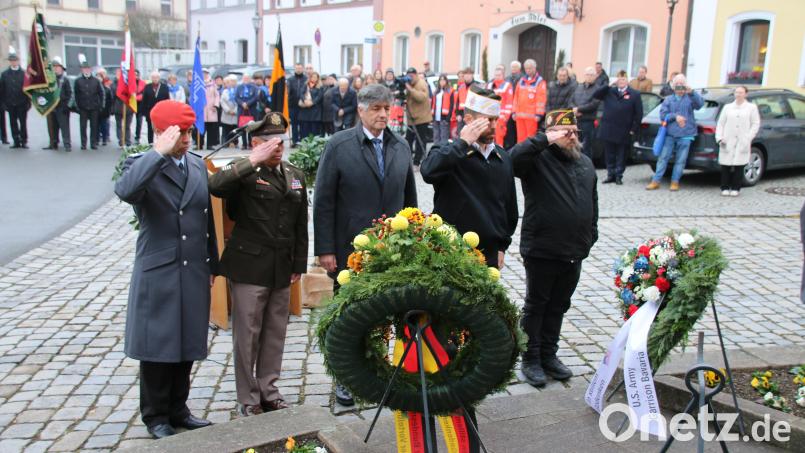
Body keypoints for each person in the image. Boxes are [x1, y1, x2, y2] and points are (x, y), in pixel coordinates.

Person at [114, 100, 218, 439]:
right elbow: (126, 190)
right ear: (161, 132)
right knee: (159, 344)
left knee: (187, 339)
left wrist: (213, 263)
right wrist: (157, 153)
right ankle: (155, 415)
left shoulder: (197, 165)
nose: (187, 139)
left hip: (192, 267)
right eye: (179, 133)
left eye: (189, 132)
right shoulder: (142, 165)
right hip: (159, 268)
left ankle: (179, 407)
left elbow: (206, 219)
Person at [313, 84, 418, 407]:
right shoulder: (340, 146)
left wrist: (413, 244)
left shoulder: (400, 147)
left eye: (387, 108)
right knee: (350, 318)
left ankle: (377, 373)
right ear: (361, 110)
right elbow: (324, 201)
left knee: (384, 313)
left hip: (391, 251)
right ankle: (345, 377)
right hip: (349, 250)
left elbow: (410, 202)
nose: (384, 114)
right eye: (376, 108)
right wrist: (326, 249)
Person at [208, 112, 308, 417]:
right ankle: (248, 397)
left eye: (282, 141)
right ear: (256, 142)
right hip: (249, 266)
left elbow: (300, 224)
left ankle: (269, 390)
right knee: (247, 334)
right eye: (270, 141)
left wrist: (299, 264)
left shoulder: (294, 174)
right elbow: (215, 185)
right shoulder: (244, 171)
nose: (278, 147)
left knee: (275, 332)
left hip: (281, 265)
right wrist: (253, 159)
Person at [510, 109, 598, 387]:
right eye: (565, 132)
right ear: (551, 134)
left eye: (574, 131)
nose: (571, 136)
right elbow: (512, 159)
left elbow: (592, 204)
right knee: (536, 306)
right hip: (542, 249)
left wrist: (590, 234)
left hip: (574, 251)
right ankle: (531, 358)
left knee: (559, 305)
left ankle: (549, 354)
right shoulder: (537, 161)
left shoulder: (585, 163)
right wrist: (544, 140)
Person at [421, 86, 518, 269]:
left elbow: (509, 207)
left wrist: (502, 246)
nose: (494, 126)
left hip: (488, 253)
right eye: (487, 121)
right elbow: (428, 171)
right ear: (468, 119)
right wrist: (462, 143)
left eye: (496, 120)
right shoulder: (449, 150)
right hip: (450, 250)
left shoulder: (502, 158)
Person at [646, 73, 703, 191]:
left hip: (686, 134)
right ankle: (656, 180)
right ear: (673, 86)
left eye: (682, 84)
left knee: (680, 160)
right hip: (670, 134)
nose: (680, 86)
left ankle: (675, 181)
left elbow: (700, 105)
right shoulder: (668, 100)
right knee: (663, 158)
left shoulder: (690, 98)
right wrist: (675, 116)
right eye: (677, 84)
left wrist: (692, 92)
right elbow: (663, 115)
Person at [594, 70, 643, 185]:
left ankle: (618, 175)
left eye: (623, 79)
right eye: (619, 79)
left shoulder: (634, 94)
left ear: (627, 81)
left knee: (621, 154)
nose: (621, 81)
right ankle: (610, 174)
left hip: (624, 129)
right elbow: (596, 95)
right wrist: (609, 84)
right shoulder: (609, 91)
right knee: (609, 154)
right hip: (609, 128)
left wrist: (633, 129)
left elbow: (638, 114)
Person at [716, 86, 760, 197]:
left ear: (746, 94)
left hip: (742, 139)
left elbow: (755, 123)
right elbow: (720, 123)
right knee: (725, 165)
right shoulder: (727, 107)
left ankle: (736, 188)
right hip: (728, 139)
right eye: (736, 92)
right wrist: (720, 137)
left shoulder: (751, 107)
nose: (738, 94)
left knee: (739, 166)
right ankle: (724, 187)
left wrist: (749, 137)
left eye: (741, 92)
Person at [569, 67, 601, 160]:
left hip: (588, 121)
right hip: (575, 120)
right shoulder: (578, 86)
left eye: (591, 75)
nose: (589, 76)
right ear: (584, 75)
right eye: (587, 74)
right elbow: (571, 100)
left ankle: (587, 168)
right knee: (574, 144)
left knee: (586, 147)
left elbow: (594, 104)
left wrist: (579, 109)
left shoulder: (598, 89)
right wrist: (574, 109)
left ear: (595, 76)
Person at [512, 59, 547, 142]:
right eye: (526, 68)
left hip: (532, 117)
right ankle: (521, 154)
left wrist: (539, 114)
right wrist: (514, 112)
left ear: (535, 68)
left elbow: (541, 100)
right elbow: (516, 98)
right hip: (519, 116)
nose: (528, 70)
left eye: (530, 68)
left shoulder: (540, 82)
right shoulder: (521, 81)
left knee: (530, 139)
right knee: (520, 139)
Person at [403, 67, 432, 166]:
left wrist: (410, 89)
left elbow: (421, 98)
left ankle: (417, 162)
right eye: (408, 76)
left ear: (416, 75)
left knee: (420, 141)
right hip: (412, 118)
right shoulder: (410, 84)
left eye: (411, 76)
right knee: (408, 140)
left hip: (422, 118)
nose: (409, 78)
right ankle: (408, 160)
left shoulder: (421, 83)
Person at [1, 50, 30, 149]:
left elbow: (28, 90)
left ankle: (24, 141)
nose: (13, 62)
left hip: (22, 103)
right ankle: (16, 141)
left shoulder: (24, 73)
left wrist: (28, 102)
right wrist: (3, 103)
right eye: (11, 61)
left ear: (18, 61)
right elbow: (2, 90)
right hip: (10, 103)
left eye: (15, 60)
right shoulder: (4, 74)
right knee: (13, 123)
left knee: (23, 123)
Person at [74, 56, 104, 150]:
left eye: (87, 68)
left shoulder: (96, 81)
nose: (86, 70)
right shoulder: (78, 81)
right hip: (83, 107)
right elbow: (76, 94)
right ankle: (83, 143)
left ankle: (93, 143)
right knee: (83, 127)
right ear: (82, 70)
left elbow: (101, 93)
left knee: (94, 126)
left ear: (90, 69)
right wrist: (77, 106)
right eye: (84, 69)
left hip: (94, 107)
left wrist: (100, 105)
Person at [44, 57, 72, 151]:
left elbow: (70, 93)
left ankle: (67, 144)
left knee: (64, 127)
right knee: (53, 126)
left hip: (62, 106)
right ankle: (53, 143)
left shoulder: (65, 79)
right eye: (54, 67)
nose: (55, 69)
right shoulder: (49, 80)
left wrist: (67, 105)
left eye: (57, 67)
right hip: (52, 106)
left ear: (61, 68)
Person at [141, 71, 170, 145]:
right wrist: (144, 112)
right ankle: (150, 143)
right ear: (151, 78)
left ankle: (161, 142)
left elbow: (167, 99)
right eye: (153, 77)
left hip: (161, 111)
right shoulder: (147, 87)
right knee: (150, 128)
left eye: (156, 77)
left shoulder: (164, 87)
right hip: (150, 111)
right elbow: (144, 100)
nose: (155, 79)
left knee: (161, 128)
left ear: (159, 78)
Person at [487, 66, 513, 147]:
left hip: (501, 117)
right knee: (488, 136)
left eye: (499, 75)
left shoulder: (507, 85)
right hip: (489, 116)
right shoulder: (489, 85)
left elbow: (509, 102)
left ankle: (498, 155)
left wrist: (506, 117)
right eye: (496, 75)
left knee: (499, 138)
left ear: (503, 75)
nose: (497, 77)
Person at [236, 74, 259, 149]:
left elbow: (255, 97)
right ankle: (244, 144)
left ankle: (250, 143)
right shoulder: (239, 87)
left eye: (247, 78)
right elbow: (236, 97)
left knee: (251, 127)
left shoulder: (254, 87)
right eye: (244, 78)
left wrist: (248, 104)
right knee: (242, 127)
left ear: (250, 79)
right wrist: (242, 104)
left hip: (251, 110)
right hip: (241, 110)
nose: (245, 79)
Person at [298, 71, 324, 139]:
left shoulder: (320, 87)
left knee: (314, 130)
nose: (314, 78)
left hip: (315, 111)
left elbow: (319, 97)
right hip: (305, 111)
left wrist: (312, 102)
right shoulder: (305, 85)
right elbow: (301, 93)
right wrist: (305, 100)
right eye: (312, 77)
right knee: (305, 130)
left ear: (318, 78)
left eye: (315, 77)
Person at [455, 67, 482, 133]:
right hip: (462, 114)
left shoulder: (476, 87)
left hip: (472, 114)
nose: (467, 76)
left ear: (472, 75)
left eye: (468, 74)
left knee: (471, 133)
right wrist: (457, 114)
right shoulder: (461, 87)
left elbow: (479, 102)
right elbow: (458, 101)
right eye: (465, 75)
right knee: (461, 133)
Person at [111, 73, 134, 147]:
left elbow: (133, 92)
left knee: (127, 125)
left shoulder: (129, 83)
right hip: (118, 107)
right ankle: (121, 140)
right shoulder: (114, 84)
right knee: (119, 125)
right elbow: (114, 94)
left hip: (128, 108)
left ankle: (127, 140)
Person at [431, 75, 454, 144]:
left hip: (444, 118)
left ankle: (443, 152)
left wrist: (448, 118)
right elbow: (432, 105)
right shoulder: (436, 91)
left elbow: (451, 105)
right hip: (436, 118)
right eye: (440, 80)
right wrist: (432, 117)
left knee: (444, 137)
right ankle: (436, 152)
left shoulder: (450, 91)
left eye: (443, 80)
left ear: (446, 81)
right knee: (436, 137)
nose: (442, 82)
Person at [288, 64, 307, 147]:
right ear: (294, 69)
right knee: (294, 124)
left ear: (302, 69)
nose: (298, 70)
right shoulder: (290, 79)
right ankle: (295, 141)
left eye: (300, 68)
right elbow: (288, 91)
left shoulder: (306, 79)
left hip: (303, 106)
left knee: (303, 124)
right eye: (297, 68)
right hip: (293, 105)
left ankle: (302, 141)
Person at [505, 61, 523, 148]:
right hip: (508, 107)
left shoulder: (523, 78)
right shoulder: (507, 78)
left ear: (519, 68)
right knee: (509, 130)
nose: (513, 69)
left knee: (518, 131)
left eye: (515, 67)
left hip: (518, 108)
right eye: (512, 67)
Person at [202, 69, 221, 149]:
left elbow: (217, 95)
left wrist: (216, 105)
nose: (204, 75)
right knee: (201, 128)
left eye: (206, 73)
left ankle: (210, 144)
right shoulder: (199, 84)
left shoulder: (213, 84)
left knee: (211, 129)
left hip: (211, 109)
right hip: (202, 110)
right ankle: (200, 143)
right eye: (203, 73)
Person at [220, 75, 239, 147]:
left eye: (234, 81)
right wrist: (228, 110)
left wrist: (235, 110)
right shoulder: (225, 91)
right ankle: (225, 143)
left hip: (235, 114)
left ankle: (234, 142)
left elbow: (239, 101)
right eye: (231, 81)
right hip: (226, 114)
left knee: (235, 129)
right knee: (226, 129)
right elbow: (222, 101)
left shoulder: (237, 91)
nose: (232, 83)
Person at [97, 68, 113, 147]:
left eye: (102, 73)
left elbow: (110, 98)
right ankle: (98, 136)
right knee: (97, 124)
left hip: (105, 109)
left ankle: (106, 136)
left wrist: (110, 109)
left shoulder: (107, 83)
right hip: (96, 109)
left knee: (105, 123)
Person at [134, 70, 147, 143]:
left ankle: (137, 136)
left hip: (140, 104)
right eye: (134, 75)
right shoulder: (130, 83)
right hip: (131, 103)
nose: (136, 76)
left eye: (137, 75)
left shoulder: (143, 83)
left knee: (139, 121)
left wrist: (137, 97)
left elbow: (144, 94)